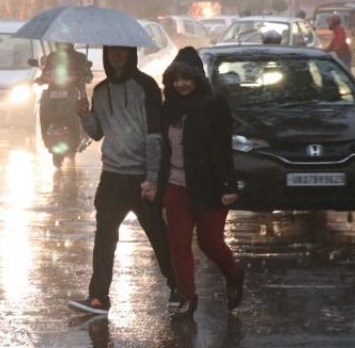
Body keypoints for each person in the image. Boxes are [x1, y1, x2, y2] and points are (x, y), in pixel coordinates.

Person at [68, 46, 178, 315]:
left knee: (159, 236)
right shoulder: (101, 90)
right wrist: (84, 115)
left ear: (130, 53)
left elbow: (154, 134)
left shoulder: (146, 86)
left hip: (142, 177)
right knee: (104, 238)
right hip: (112, 177)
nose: (117, 55)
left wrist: (152, 178)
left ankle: (178, 287)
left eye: (122, 50)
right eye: (112, 50)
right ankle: (98, 298)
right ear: (106, 54)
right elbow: (96, 134)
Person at [156, 47, 244, 318]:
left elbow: (222, 148)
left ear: (198, 78)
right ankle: (188, 298)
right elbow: (162, 148)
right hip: (176, 185)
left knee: (210, 243)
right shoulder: (168, 107)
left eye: (187, 78)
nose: (182, 84)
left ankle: (234, 273)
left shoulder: (213, 105)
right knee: (178, 244)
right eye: (176, 79)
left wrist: (229, 186)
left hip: (208, 187)